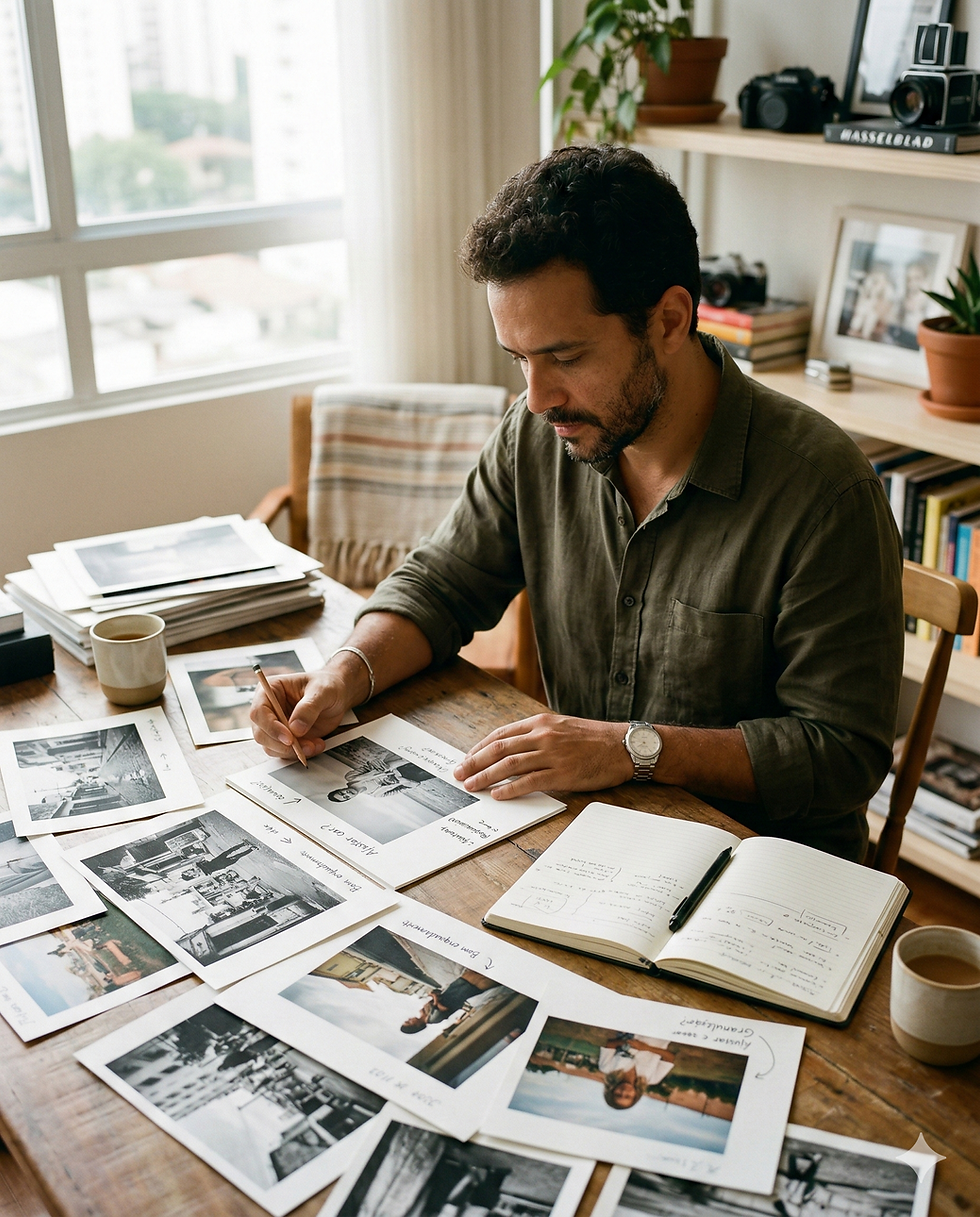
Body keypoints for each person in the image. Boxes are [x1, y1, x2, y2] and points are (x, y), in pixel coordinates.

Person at [251, 144, 904, 861]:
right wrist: (344, 673)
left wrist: (632, 749)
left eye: (565, 358)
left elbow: (841, 754)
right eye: (519, 360)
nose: (537, 399)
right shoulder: (541, 435)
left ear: (670, 320)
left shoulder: (825, 492)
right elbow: (441, 583)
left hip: (765, 871)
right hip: (589, 840)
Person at [400, 970, 499, 1034]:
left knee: (477, 971)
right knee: (491, 977)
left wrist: (435, 995)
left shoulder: (423, 1011)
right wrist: (434, 997)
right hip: (462, 993)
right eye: (409, 1022)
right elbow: (444, 1008)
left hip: (454, 989)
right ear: (417, 1026)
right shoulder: (433, 1020)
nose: (409, 1019)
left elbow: (439, 1000)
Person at [598, 1034, 675, 1110]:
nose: (624, 1091)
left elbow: (610, 1044)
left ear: (612, 1091)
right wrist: (647, 1048)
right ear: (636, 1095)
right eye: (628, 1096)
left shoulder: (606, 1068)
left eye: (618, 1094)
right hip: (660, 1036)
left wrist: (626, 1043)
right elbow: (670, 1058)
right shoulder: (652, 1079)